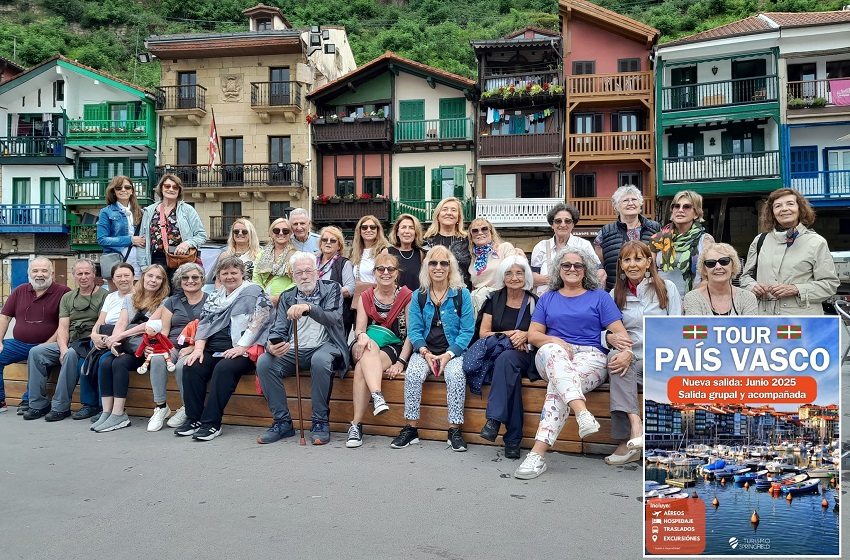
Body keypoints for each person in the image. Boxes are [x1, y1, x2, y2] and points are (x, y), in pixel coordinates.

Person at [514, 248, 629, 479]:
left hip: (591, 358)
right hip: (552, 355)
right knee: (553, 351)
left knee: (558, 387)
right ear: (559, 269)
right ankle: (582, 411)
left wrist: (627, 352)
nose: (572, 269)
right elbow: (534, 335)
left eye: (578, 265)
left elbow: (621, 335)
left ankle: (537, 454)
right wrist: (554, 339)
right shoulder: (548, 297)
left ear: (586, 270)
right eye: (566, 265)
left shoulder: (599, 297)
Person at [256, 252, 350, 445]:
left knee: (320, 360)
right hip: (294, 349)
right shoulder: (288, 296)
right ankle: (282, 422)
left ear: (317, 272)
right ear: (292, 275)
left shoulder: (332, 288)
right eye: (299, 273)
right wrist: (272, 346)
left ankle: (320, 421)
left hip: (327, 346)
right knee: (265, 362)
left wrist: (309, 307)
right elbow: (279, 327)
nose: (304, 276)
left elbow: (332, 318)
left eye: (308, 271)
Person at [175, 257, 272, 441]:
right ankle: (194, 418)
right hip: (214, 348)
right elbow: (204, 324)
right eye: (224, 273)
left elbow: (260, 321)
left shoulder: (253, 292)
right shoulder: (216, 296)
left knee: (223, 368)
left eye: (234, 272)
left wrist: (241, 347)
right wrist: (198, 349)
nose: (229, 277)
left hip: (243, 348)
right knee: (191, 366)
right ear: (218, 276)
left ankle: (212, 423)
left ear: (242, 274)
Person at [392, 246, 475, 452]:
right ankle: (411, 429)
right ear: (427, 267)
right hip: (425, 351)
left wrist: (448, 355)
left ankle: (454, 430)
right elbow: (415, 331)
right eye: (433, 263)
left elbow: (467, 331)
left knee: (456, 375)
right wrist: (425, 353)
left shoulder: (462, 294)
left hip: (453, 352)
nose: (438, 267)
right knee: (412, 373)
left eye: (444, 263)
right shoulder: (418, 295)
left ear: (451, 267)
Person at [605, 241, 680, 465]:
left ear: (649, 262)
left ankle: (628, 440)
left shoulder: (667, 288)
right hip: (632, 358)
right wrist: (608, 338)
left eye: (638, 259)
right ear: (621, 265)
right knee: (616, 360)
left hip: (660, 358)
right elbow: (606, 330)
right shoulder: (614, 293)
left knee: (621, 366)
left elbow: (676, 329)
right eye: (627, 260)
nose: (632, 264)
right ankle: (635, 431)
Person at [25, 259, 107, 421]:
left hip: (87, 344)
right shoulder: (68, 297)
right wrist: (61, 348)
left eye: (87, 273)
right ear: (73, 276)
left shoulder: (104, 296)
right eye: (79, 274)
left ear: (94, 275)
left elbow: (101, 325)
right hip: (69, 342)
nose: (83, 277)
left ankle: (60, 407)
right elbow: (62, 327)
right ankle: (37, 404)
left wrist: (66, 351)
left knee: (70, 354)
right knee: (36, 352)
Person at [346, 253, 413, 448]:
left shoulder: (406, 296)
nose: (385, 272)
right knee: (369, 347)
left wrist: (401, 361)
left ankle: (356, 425)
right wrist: (362, 336)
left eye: (390, 269)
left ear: (396, 273)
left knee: (361, 369)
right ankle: (377, 396)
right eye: (380, 269)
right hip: (364, 344)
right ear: (374, 272)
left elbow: (411, 333)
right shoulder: (366, 296)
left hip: (392, 346)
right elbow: (359, 327)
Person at [92, 265, 170, 432]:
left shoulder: (165, 301)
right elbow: (121, 322)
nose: (153, 280)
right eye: (150, 276)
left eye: (158, 278)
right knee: (105, 363)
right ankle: (107, 412)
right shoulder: (130, 298)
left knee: (118, 364)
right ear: (143, 277)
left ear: (163, 282)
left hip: (147, 346)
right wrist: (113, 342)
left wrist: (120, 336)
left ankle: (119, 414)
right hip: (129, 343)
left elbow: (147, 326)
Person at [476, 256, 538, 459]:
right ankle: (512, 441)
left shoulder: (534, 301)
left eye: (519, 272)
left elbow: (540, 333)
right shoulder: (494, 299)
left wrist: (526, 335)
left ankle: (493, 420)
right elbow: (484, 333)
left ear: (526, 275)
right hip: (499, 356)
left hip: (526, 356)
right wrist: (512, 334)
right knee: (510, 375)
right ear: (503, 276)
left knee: (508, 363)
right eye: (509, 273)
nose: (514, 277)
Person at [739, 188, 839, 315]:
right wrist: (752, 286)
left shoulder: (816, 242)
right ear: (772, 213)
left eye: (790, 204)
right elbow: (745, 278)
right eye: (778, 206)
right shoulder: (760, 241)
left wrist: (796, 289)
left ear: (800, 209)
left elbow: (829, 285)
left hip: (801, 322)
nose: (784, 209)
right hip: (765, 320)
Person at [143, 262, 208, 432]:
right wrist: (155, 347)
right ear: (180, 281)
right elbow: (164, 331)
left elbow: (211, 330)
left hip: (197, 345)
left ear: (202, 279)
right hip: (172, 344)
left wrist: (193, 347)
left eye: (195, 277)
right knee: (157, 359)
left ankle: (187, 407)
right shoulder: (172, 301)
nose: (190, 281)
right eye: (185, 278)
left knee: (182, 365)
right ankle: (161, 406)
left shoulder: (210, 300)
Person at [0, 257, 70, 414]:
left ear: (52, 273)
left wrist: (46, 345)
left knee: (37, 354)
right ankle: (0, 400)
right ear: (29, 273)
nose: (40, 274)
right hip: (19, 344)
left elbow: (65, 325)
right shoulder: (19, 291)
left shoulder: (63, 292)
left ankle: (28, 399)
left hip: (49, 345)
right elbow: (4, 317)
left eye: (44, 271)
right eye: (35, 271)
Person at [82, 262, 136, 421]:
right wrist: (94, 335)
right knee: (83, 361)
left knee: (104, 362)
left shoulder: (138, 296)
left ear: (134, 277)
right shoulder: (110, 297)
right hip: (103, 336)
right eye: (119, 276)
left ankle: (105, 408)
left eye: (127, 275)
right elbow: (100, 321)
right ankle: (91, 405)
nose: (123, 279)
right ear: (113, 279)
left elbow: (128, 323)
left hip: (123, 338)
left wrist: (112, 338)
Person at [137, 174, 206, 282]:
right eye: (167, 186)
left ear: (179, 190)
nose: (171, 189)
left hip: (181, 258)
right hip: (156, 259)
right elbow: (142, 241)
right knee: (159, 295)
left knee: (180, 293)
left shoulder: (187, 210)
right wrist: (144, 267)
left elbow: (201, 235)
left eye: (175, 187)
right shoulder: (149, 211)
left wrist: (187, 244)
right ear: (161, 188)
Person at [593, 185, 661, 290]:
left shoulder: (655, 228)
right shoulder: (605, 232)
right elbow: (599, 261)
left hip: (650, 289)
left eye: (634, 199)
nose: (630, 203)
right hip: (616, 290)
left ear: (640, 204)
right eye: (625, 201)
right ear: (616, 206)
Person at [649, 190, 714, 298]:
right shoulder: (657, 240)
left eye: (687, 207)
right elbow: (651, 273)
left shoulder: (705, 240)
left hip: (695, 300)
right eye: (676, 206)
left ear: (696, 214)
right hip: (662, 300)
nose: (680, 210)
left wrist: (689, 300)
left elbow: (710, 277)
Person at [531, 203, 606, 295]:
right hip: (546, 302)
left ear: (573, 224)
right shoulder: (541, 247)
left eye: (567, 221)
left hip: (577, 299)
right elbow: (532, 278)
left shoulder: (583, 245)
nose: (563, 224)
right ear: (552, 224)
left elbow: (600, 273)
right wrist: (559, 279)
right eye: (558, 221)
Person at [683, 243, 758, 316]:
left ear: (733, 265)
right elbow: (696, 327)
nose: (718, 267)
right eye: (711, 263)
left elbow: (750, 326)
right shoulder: (693, 298)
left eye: (724, 261)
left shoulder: (748, 298)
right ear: (704, 270)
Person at [97, 175, 145, 288]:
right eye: (119, 188)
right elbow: (102, 239)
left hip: (138, 260)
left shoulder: (141, 212)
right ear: (113, 191)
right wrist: (130, 240)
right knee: (116, 297)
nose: (123, 190)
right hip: (116, 260)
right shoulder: (106, 212)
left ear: (132, 191)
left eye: (127, 187)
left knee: (137, 298)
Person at [423, 197, 472, 288]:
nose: (449, 213)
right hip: (433, 294)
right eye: (444, 209)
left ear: (458, 217)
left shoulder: (468, 241)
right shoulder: (426, 242)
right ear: (438, 215)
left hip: (462, 294)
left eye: (453, 210)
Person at [316, 226, 355, 338]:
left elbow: (350, 289)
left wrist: (327, 292)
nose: (328, 243)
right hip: (314, 313)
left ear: (339, 246)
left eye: (333, 240)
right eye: (325, 240)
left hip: (335, 315)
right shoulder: (313, 261)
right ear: (320, 243)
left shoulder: (343, 263)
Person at [350, 215, 390, 316]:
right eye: (364, 227)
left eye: (373, 227)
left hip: (379, 301)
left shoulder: (384, 250)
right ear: (359, 231)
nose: (369, 230)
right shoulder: (355, 252)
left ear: (378, 230)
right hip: (361, 301)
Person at [468, 217, 522, 290]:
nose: (480, 233)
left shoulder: (504, 248)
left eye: (484, 229)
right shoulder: (471, 256)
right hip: (477, 298)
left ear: (491, 233)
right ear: (471, 237)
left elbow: (513, 273)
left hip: (500, 296)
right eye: (475, 231)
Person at [253, 217, 297, 306]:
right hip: (262, 302)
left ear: (290, 234)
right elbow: (256, 278)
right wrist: (263, 297)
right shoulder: (261, 254)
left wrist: (280, 297)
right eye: (276, 230)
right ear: (271, 233)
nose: (281, 233)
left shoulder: (297, 256)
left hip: (286, 303)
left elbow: (297, 281)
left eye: (285, 231)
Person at [386, 213, 425, 291]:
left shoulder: (420, 253)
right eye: (403, 227)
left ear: (415, 232)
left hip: (415, 300)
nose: (407, 231)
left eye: (411, 228)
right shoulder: (387, 252)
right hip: (394, 300)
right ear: (397, 232)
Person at [219, 217, 262, 282]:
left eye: (244, 231)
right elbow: (218, 280)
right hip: (230, 291)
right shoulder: (225, 255)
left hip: (253, 290)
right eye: (236, 231)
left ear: (251, 234)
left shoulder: (260, 254)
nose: (240, 233)